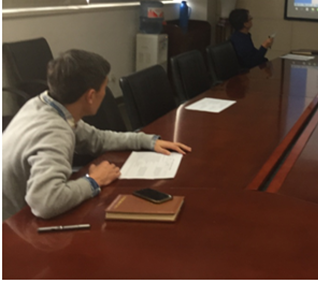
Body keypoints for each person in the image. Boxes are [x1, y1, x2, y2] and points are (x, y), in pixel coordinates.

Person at [2, 50, 191, 221]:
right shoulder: (55, 132)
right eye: (104, 88)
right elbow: (45, 202)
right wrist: (94, 181)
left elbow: (97, 139)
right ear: (91, 96)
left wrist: (145, 140)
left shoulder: (46, 104)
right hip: (12, 226)